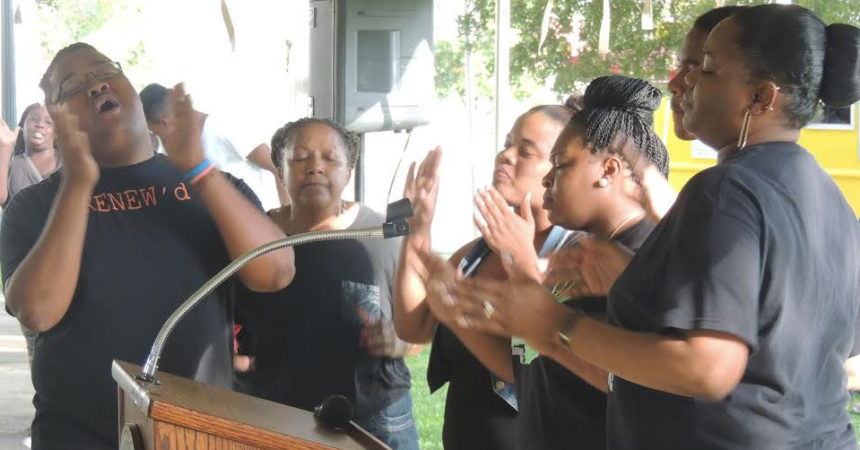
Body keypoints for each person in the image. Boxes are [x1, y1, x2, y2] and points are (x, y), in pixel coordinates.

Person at [434, 5, 860, 449]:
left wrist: (558, 326)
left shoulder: (726, 190)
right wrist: (635, 280)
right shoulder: (830, 198)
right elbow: (799, 345)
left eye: (707, 69)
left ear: (761, 98)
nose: (684, 82)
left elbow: (708, 369)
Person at [0, 42, 295, 449]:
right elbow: (37, 311)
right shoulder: (33, 206)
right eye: (71, 86)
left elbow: (276, 272)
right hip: (78, 436)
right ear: (55, 119)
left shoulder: (211, 184)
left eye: (104, 71)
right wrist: (78, 183)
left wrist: (200, 170)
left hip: (197, 436)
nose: (95, 85)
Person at [417, 75, 669, 449]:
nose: (548, 180)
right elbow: (530, 369)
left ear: (609, 171)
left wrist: (527, 280)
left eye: (561, 165)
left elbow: (634, 387)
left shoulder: (645, 258)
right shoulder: (582, 253)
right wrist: (457, 306)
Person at [393, 100, 578, 449]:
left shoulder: (573, 259)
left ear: (559, 168)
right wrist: (417, 232)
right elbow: (411, 327)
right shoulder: (477, 252)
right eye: (507, 144)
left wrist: (459, 309)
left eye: (525, 151)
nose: (505, 155)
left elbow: (528, 369)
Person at [233, 118, 420, 449]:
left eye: (330, 158)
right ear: (280, 170)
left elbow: (419, 329)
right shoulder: (254, 240)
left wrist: (399, 342)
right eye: (301, 157)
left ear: (348, 172)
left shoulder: (382, 234)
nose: (315, 168)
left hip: (374, 419)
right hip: (274, 417)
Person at [139, 82, 287, 209]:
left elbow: (278, 167)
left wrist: (287, 224)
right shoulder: (174, 149)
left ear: (164, 123)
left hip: (258, 226)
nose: (157, 138)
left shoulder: (222, 126)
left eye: (155, 132)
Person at [0, 103, 60, 206]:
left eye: (48, 122)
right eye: (34, 119)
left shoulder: (69, 161)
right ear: (22, 126)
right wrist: (5, 147)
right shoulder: (12, 166)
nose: (40, 125)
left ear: (56, 133)